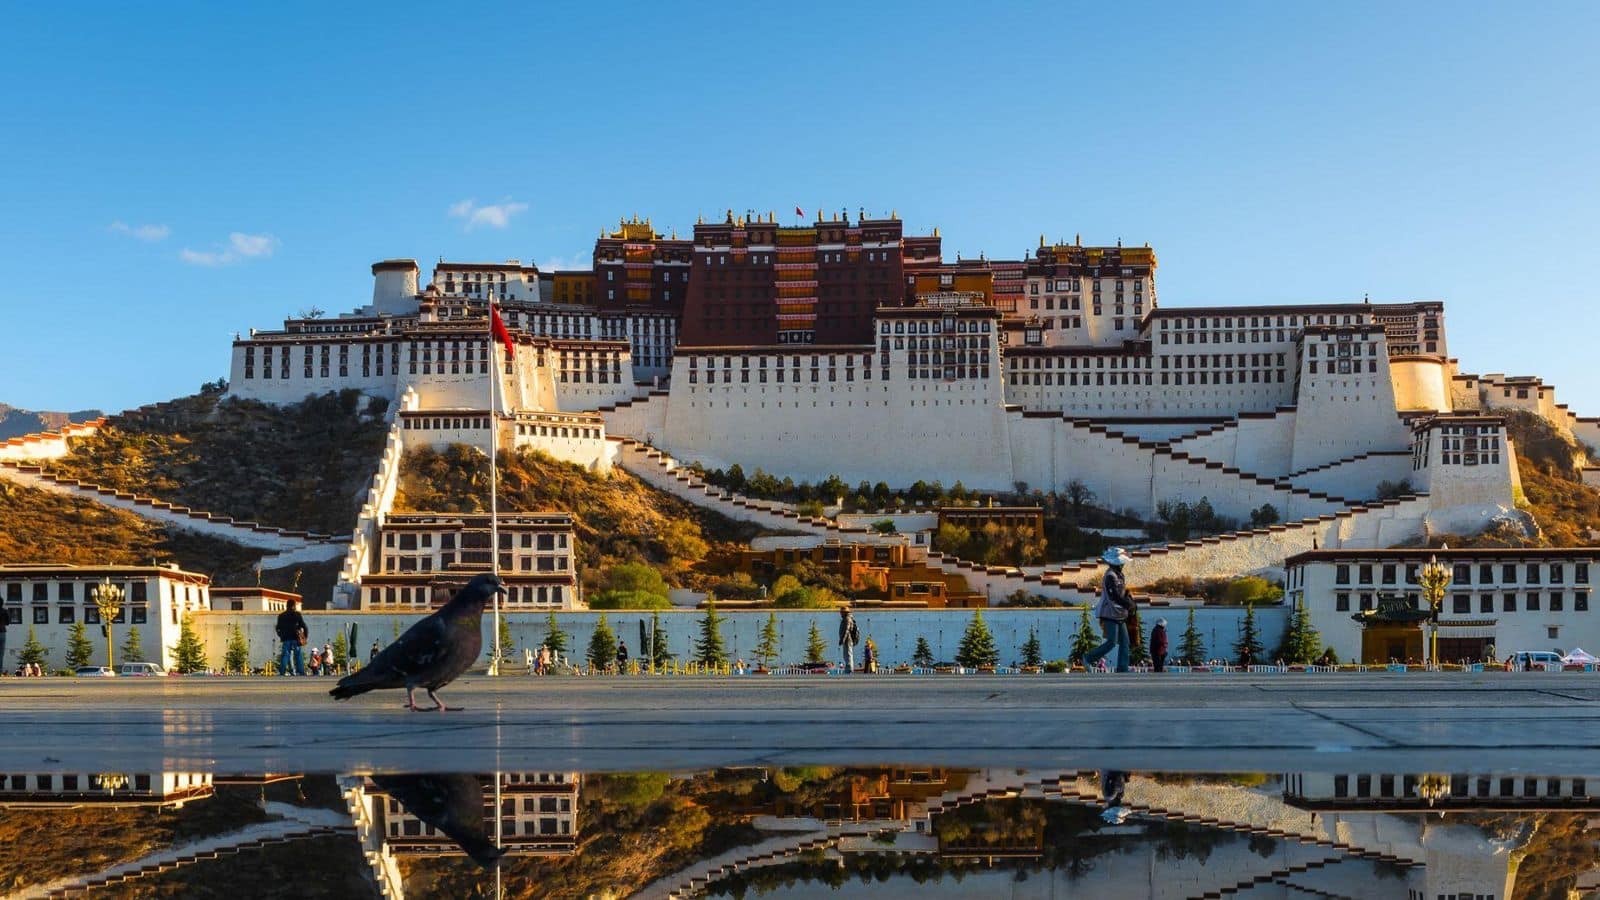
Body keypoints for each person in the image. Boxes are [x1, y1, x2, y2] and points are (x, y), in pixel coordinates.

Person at [1082, 548, 1135, 673]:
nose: (1122, 565)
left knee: (1125, 642)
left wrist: (1130, 601)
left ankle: (1122, 668)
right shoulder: (1110, 576)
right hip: (1109, 613)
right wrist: (1128, 604)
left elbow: (1122, 594)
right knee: (1112, 642)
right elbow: (1114, 596)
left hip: (1120, 614)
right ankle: (1088, 658)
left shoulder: (1119, 575)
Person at [275, 599, 309, 676]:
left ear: (287, 605)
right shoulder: (297, 614)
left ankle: (282, 672)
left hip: (286, 638)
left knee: (285, 655)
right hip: (296, 638)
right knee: (298, 655)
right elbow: (304, 626)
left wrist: (281, 635)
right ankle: (301, 671)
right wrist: (305, 637)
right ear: (294, 605)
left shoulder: (281, 616)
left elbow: (278, 628)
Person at [838, 606, 860, 673]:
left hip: (848, 639)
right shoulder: (846, 618)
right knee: (846, 654)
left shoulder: (847, 619)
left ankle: (849, 668)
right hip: (846, 639)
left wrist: (843, 639)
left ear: (844, 612)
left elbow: (847, 630)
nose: (840, 614)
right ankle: (848, 668)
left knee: (848, 654)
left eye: (841, 612)